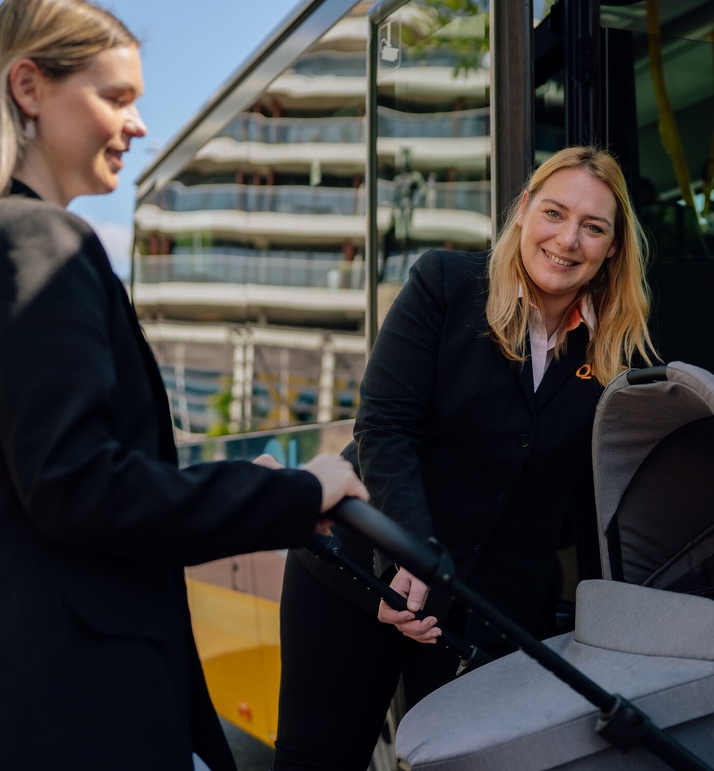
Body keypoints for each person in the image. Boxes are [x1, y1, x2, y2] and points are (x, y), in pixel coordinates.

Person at [0, 2, 367, 769]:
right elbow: (77, 485)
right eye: (117, 97)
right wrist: (300, 492)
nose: (140, 127)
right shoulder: (41, 239)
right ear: (28, 87)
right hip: (85, 704)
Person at [273, 146, 658, 769]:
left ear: (613, 247)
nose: (567, 240)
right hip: (359, 575)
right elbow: (385, 425)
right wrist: (411, 556)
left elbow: (589, 494)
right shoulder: (446, 284)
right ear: (524, 210)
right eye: (554, 213)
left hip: (484, 607)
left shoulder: (615, 349)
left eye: (593, 227)